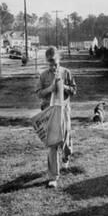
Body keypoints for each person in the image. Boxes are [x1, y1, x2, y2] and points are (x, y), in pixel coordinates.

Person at [36, 46, 77, 188]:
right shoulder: (43, 75)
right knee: (52, 144)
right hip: (49, 112)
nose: (52, 66)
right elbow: (39, 93)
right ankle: (53, 176)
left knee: (65, 139)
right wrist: (50, 89)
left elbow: (74, 90)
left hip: (64, 110)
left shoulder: (66, 72)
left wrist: (63, 86)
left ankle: (66, 155)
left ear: (59, 59)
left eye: (54, 62)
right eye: (49, 63)